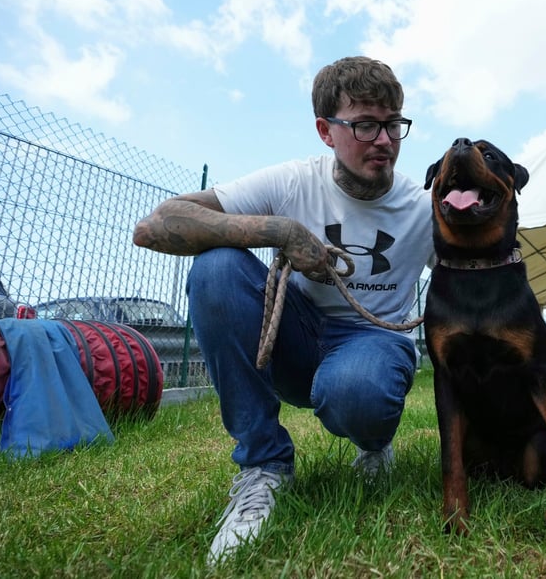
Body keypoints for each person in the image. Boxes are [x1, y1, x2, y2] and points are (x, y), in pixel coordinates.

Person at [132, 56, 433, 564]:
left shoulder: (423, 207)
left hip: (372, 341)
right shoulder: (293, 182)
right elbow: (155, 224)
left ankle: (374, 442)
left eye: (392, 124)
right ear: (325, 130)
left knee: (356, 392)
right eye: (364, 124)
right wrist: (278, 231)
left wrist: (534, 353)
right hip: (295, 334)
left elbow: (486, 274)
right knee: (217, 268)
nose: (383, 140)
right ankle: (263, 468)